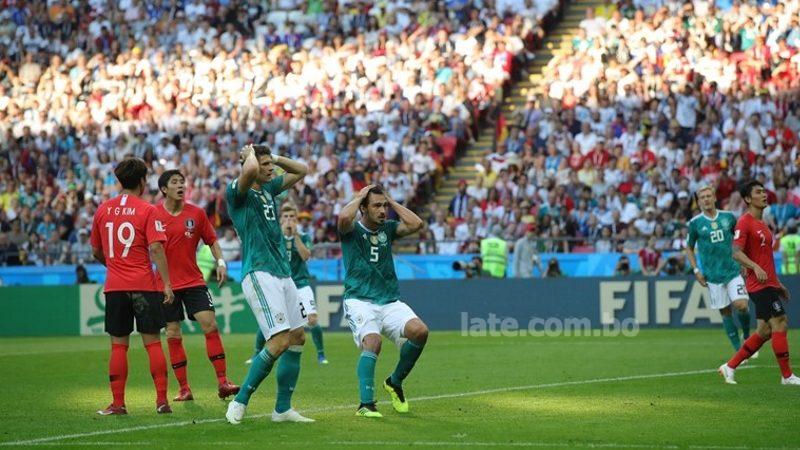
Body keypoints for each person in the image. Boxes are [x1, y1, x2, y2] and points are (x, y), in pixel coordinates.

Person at [225, 144, 313, 424]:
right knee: (279, 340)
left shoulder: (268, 190)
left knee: (298, 337)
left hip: (283, 273)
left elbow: (302, 169)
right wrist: (250, 157)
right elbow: (249, 170)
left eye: (269, 164)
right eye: (264, 164)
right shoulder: (238, 191)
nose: (268, 168)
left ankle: (282, 409)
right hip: (259, 272)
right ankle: (239, 402)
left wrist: (272, 157)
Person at [89, 157, 174, 415]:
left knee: (118, 346)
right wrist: (167, 283)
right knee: (153, 344)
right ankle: (161, 401)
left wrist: (114, 267)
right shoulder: (148, 210)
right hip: (144, 285)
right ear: (142, 181)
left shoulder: (103, 209)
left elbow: (95, 250)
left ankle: (118, 403)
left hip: (115, 286)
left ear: (119, 180)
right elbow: (156, 247)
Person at [338, 185, 427, 418]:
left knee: (420, 331)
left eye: (384, 206)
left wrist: (391, 201)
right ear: (363, 209)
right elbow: (343, 216)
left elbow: (417, 224)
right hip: (359, 299)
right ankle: (365, 405)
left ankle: (394, 382)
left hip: (388, 300)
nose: (382, 210)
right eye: (376, 206)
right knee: (373, 342)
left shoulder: (388, 228)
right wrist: (358, 197)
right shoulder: (351, 230)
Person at [154, 170, 239, 402]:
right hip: (165, 285)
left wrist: (221, 262)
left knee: (210, 324)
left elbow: (212, 240)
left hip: (193, 281)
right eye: (174, 182)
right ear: (164, 189)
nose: (180, 185)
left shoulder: (197, 213)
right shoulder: (153, 216)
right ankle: (184, 388)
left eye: (182, 182)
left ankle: (223, 382)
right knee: (172, 332)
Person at [719, 181, 800, 385]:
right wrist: (754, 267)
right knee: (780, 321)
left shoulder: (763, 225)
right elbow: (736, 252)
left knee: (764, 331)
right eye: (758, 192)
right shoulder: (744, 222)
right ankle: (787, 376)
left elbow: (766, 260)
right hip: (757, 285)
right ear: (748, 199)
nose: (764, 195)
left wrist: (778, 284)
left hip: (768, 283)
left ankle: (729, 366)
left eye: (764, 191)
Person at [247, 203, 328, 366]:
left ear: (296, 219)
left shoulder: (304, 236)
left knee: (312, 320)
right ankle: (256, 354)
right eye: (285, 217)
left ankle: (321, 355)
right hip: (280, 283)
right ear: (280, 220)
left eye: (292, 217)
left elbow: (306, 256)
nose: (289, 220)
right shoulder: (275, 237)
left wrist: (295, 236)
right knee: (271, 320)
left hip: (301, 284)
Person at [685, 186, 754, 354]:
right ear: (699, 202)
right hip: (712, 274)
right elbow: (689, 248)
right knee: (725, 311)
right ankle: (739, 350)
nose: (706, 199)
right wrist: (696, 271)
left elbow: (740, 240)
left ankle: (746, 335)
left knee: (742, 305)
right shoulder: (695, 223)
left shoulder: (729, 217)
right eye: (703, 197)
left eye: (709, 196)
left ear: (714, 198)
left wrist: (745, 263)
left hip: (732, 270)